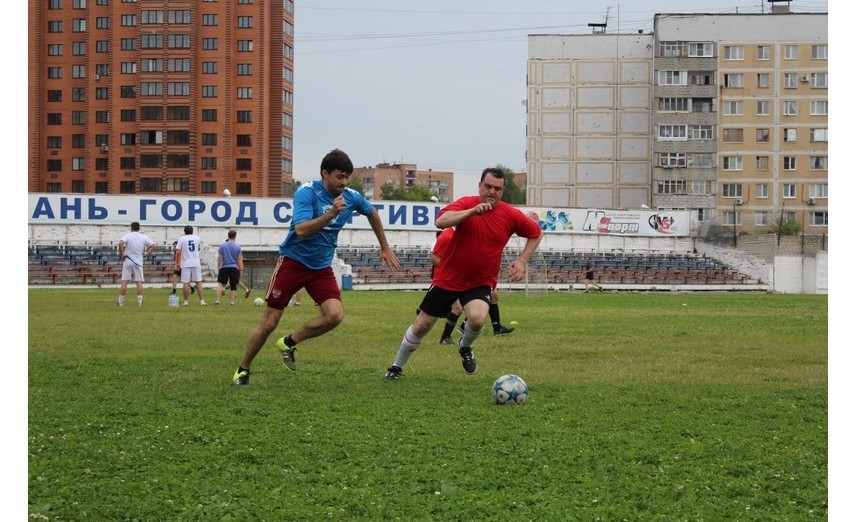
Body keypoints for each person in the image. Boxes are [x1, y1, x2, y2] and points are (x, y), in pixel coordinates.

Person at [233, 148, 401, 386]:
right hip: (293, 262)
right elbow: (301, 230)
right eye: (339, 177)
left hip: (321, 268)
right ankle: (243, 369)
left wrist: (384, 247)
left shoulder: (351, 196)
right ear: (325, 174)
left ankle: (289, 342)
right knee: (269, 322)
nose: (344, 182)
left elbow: (371, 212)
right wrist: (331, 214)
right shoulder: (307, 193)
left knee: (335, 316)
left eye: (347, 177)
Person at [384, 167, 543, 381]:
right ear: (480, 186)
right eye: (488, 186)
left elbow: (536, 233)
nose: (492, 192)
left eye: (497, 188)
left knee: (477, 319)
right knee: (422, 326)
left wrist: (522, 261)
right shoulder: (468, 203)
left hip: (480, 281)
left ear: (502, 191)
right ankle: (396, 367)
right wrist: (471, 212)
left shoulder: (510, 214)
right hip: (448, 278)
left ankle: (465, 346)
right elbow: (440, 221)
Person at [115, 221, 156, 307]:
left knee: (124, 281)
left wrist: (122, 254)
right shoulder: (143, 237)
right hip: (138, 261)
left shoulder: (127, 236)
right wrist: (147, 254)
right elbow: (153, 245)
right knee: (139, 282)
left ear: (131, 228)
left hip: (128, 260)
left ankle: (120, 302)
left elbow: (120, 243)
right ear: (139, 228)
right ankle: (140, 303)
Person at [175, 225, 206, 306]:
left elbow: (178, 252)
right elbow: (198, 248)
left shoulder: (182, 239)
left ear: (184, 231)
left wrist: (177, 263)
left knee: (185, 282)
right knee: (198, 282)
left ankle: (186, 301)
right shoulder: (197, 238)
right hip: (195, 262)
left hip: (186, 263)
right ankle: (202, 301)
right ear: (192, 231)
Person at [214, 230, 244, 306]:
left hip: (224, 267)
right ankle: (232, 302)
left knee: (220, 284)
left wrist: (218, 267)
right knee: (233, 285)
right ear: (235, 236)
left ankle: (217, 300)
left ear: (228, 236)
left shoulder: (222, 246)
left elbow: (220, 258)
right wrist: (240, 269)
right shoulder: (237, 247)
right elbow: (240, 259)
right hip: (234, 267)